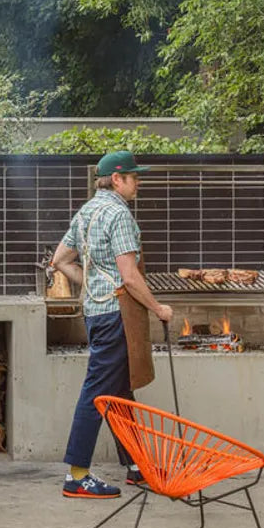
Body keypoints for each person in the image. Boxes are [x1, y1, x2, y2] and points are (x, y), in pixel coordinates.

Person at [50, 150, 174, 498]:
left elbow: (60, 260)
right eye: (134, 177)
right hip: (117, 313)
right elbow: (130, 277)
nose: (138, 183)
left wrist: (91, 286)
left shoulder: (88, 210)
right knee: (98, 393)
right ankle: (77, 475)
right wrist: (158, 308)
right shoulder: (119, 214)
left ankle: (137, 466)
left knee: (120, 393)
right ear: (116, 179)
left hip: (96, 311)